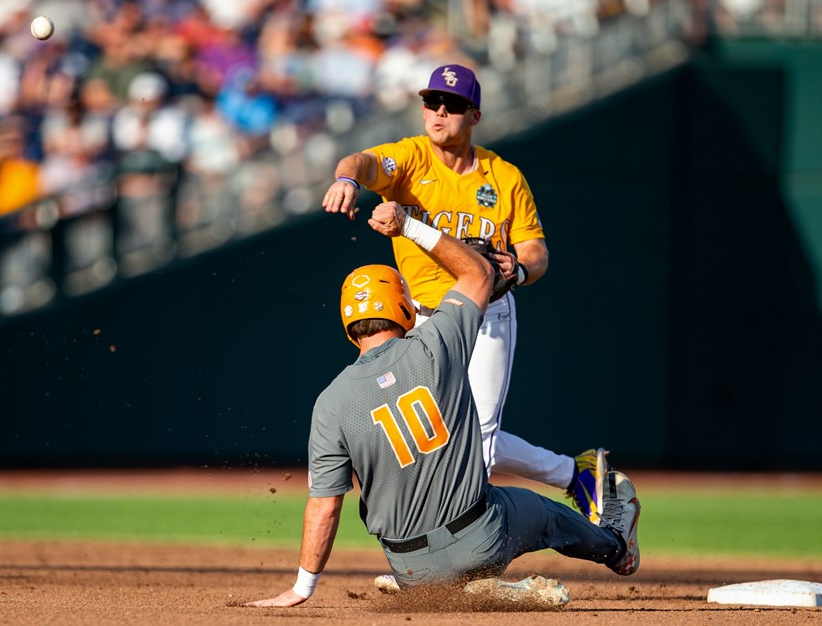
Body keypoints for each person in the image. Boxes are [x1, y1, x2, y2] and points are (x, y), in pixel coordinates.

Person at [244, 202, 640, 608]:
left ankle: (459, 585)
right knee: (545, 514)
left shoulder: (329, 402)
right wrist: (410, 227)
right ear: (404, 308)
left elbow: (325, 507)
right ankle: (616, 548)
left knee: (447, 535)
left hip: (408, 568)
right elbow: (479, 272)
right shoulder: (437, 344)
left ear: (349, 326)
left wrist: (302, 587)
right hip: (480, 539)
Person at [320, 63, 608, 527]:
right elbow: (363, 162)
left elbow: (536, 252)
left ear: (474, 115)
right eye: (431, 102)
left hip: (486, 314)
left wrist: (519, 270)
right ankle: (575, 475)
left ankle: (451, 551)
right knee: (433, 432)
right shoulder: (410, 159)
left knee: (479, 445)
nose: (438, 111)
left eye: (452, 105)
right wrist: (347, 181)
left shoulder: (504, 177)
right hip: (422, 317)